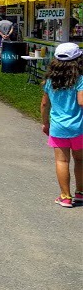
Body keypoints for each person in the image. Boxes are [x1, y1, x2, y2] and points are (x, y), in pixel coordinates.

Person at [40, 42, 83, 208]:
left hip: (58, 128)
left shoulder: (50, 81)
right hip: (79, 127)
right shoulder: (80, 80)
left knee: (62, 161)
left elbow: (44, 105)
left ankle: (65, 197)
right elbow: (81, 101)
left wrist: (45, 123)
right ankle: (80, 192)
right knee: (80, 160)